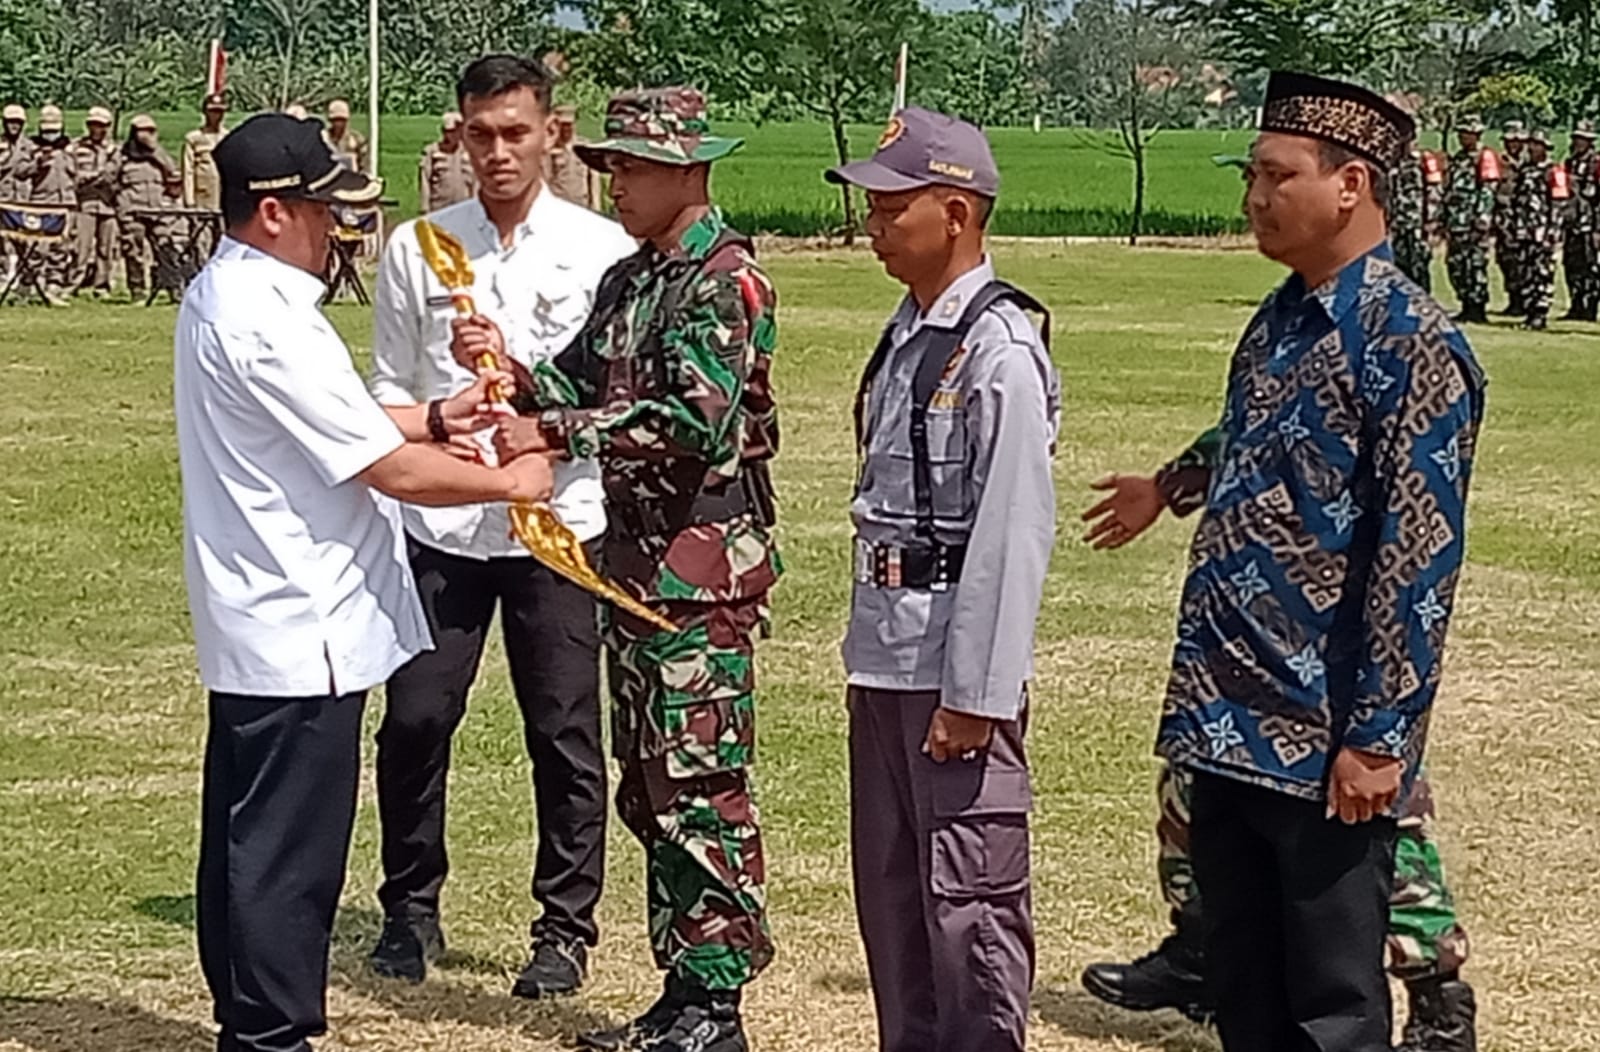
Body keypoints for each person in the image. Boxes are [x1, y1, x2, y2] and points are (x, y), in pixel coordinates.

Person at [178, 111, 556, 1052]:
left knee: (245, 840)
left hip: (265, 622)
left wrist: (436, 412)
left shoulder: (229, 298)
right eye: (323, 212)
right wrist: (508, 479)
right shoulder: (270, 319)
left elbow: (345, 420)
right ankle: (271, 1035)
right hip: (304, 627)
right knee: (285, 856)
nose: (336, 232)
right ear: (272, 213)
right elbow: (387, 470)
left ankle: (249, 1017)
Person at [1150, 72, 1485, 1052]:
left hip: (1322, 731)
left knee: (1332, 1010)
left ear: (1350, 185)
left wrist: (1379, 736)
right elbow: (1256, 451)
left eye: (1274, 175)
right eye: (1250, 175)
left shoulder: (1409, 343)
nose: (1253, 197)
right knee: (1246, 991)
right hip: (1225, 715)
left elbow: (1418, 554)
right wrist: (1168, 483)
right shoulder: (1277, 322)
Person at [452, 85, 779, 1052]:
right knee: (650, 784)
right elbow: (583, 378)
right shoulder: (636, 280)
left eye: (630, 166)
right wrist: (512, 371)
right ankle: (682, 988)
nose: (615, 183)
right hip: (636, 573)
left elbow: (691, 420)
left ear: (688, 168)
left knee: (701, 781)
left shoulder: (726, 280)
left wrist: (548, 427)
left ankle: (718, 1003)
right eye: (610, 166)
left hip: (700, 579)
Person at [366, 54, 637, 996]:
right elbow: (390, 387)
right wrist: (439, 444)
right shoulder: (419, 247)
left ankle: (564, 929)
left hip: (555, 521)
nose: (497, 152)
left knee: (562, 729)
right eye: (479, 134)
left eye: (515, 132)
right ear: (460, 134)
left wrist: (535, 442)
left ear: (552, 133)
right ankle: (409, 908)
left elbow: (610, 401)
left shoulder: (600, 251)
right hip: (443, 525)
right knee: (415, 718)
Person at [1079, 429, 1479, 1052]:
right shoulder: (1282, 345)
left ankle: (1439, 1003)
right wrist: (1166, 488)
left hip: (1334, 659)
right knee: (1191, 797)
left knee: (1378, 835)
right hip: (1246, 657)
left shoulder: (1387, 349)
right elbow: (1252, 437)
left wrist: (1380, 721)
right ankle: (1200, 953)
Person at [827, 107, 1059, 1052]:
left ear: (956, 211)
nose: (874, 226)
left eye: (892, 206)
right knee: (892, 894)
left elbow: (1010, 534)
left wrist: (977, 693)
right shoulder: (909, 332)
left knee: (971, 902)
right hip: (886, 655)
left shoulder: (998, 350)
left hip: (947, 670)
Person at [113, 114, 182, 301]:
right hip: (132, 210)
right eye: (142, 131)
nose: (146, 135)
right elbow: (111, 179)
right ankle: (137, 289)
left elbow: (174, 175)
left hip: (157, 209)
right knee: (133, 249)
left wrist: (156, 152)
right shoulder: (122, 155)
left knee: (165, 247)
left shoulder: (160, 154)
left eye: (151, 131)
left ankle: (173, 287)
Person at [1443, 115, 1498, 324]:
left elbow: (1487, 190)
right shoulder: (1459, 158)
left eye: (1468, 134)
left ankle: (1477, 307)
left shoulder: (1484, 157)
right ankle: (1465, 302)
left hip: (1473, 223)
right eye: (1461, 134)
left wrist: (1482, 218)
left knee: (1476, 265)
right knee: (1457, 264)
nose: (1463, 138)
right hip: (1457, 222)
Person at [1506, 129, 1562, 330]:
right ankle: (1529, 313)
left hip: (1543, 232)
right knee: (1526, 272)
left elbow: (1558, 204)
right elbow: (1516, 200)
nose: (1532, 148)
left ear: (1545, 148)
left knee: (1543, 273)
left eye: (1536, 145)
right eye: (1531, 144)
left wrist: (1552, 231)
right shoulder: (1525, 170)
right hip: (1524, 231)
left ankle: (1540, 314)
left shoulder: (1553, 171)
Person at [25, 105, 76, 306]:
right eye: (47, 130)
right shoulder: (31, 147)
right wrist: (38, 164)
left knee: (61, 247)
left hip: (65, 203)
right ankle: (29, 285)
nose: (50, 134)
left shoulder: (71, 147)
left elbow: (78, 174)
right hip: (41, 202)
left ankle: (54, 285)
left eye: (54, 130)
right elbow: (20, 171)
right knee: (36, 247)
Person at [70, 106, 119, 296]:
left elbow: (114, 175)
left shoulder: (115, 150)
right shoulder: (76, 148)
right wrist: (96, 176)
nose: (97, 129)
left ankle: (102, 286)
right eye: (93, 125)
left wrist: (92, 177)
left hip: (108, 204)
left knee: (106, 248)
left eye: (101, 125)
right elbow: (74, 176)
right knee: (81, 247)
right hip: (85, 204)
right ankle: (74, 283)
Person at [1562, 120, 1598, 322]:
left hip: (1591, 223)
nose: (1579, 143)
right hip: (1572, 222)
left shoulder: (1596, 163)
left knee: (1591, 267)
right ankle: (1575, 305)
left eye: (1583, 139)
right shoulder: (1570, 162)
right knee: (1572, 265)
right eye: (1577, 138)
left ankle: (1590, 308)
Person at [1493, 121, 1526, 315]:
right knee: (1505, 259)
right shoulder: (1498, 161)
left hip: (1525, 219)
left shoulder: (1529, 162)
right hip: (1503, 217)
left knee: (1523, 261)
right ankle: (1513, 298)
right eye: (1509, 140)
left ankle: (1523, 300)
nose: (1513, 144)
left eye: (1516, 141)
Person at [417, 111, 475, 213]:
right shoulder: (432, 151)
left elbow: (476, 181)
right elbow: (424, 180)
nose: (454, 135)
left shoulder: (470, 151)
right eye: (450, 131)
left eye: (457, 130)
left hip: (465, 207)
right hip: (439, 208)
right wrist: (424, 207)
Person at [1392, 148, 1433, 291]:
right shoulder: (1394, 160)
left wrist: (1430, 220)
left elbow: (1432, 192)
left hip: (1416, 222)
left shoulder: (1419, 161)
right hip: (1398, 222)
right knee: (1399, 263)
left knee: (1418, 263)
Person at [546, 104, 601, 210]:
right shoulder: (548, 149)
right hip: (557, 207)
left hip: (581, 205)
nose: (566, 128)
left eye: (569, 124)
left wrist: (595, 207)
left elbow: (594, 179)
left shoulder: (585, 147)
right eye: (563, 125)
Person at [183, 93, 229, 210]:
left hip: (223, 194)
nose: (216, 115)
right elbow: (188, 170)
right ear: (205, 112)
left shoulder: (228, 137)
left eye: (220, 111)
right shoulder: (194, 138)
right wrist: (189, 200)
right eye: (212, 111)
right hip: (202, 196)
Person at [326, 99, 369, 172]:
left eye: (342, 120)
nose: (338, 123)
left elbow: (365, 164)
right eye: (335, 120)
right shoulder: (324, 137)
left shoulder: (357, 139)